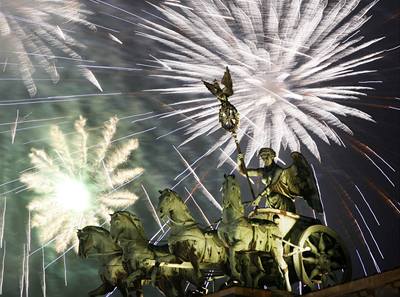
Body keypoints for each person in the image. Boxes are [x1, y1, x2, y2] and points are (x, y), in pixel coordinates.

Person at [237, 148, 296, 212]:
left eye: (266, 157)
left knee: (273, 197)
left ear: (272, 156)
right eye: (263, 158)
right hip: (270, 199)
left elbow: (271, 186)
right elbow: (244, 172)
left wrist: (259, 198)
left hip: (281, 201)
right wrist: (239, 162)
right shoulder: (263, 171)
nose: (265, 160)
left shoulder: (278, 170)